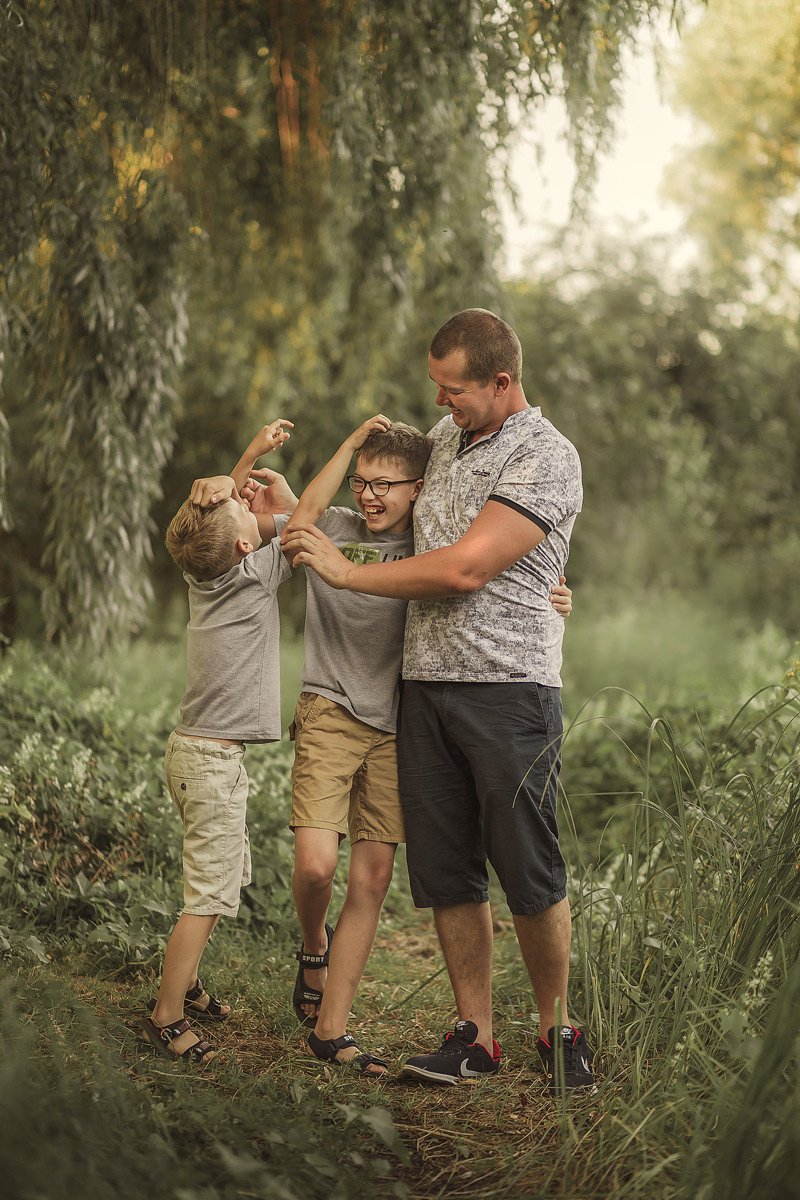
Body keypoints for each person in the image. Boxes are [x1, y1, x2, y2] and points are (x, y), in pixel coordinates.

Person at [282, 308, 594, 1094]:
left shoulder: (546, 455)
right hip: (421, 689)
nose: (440, 401)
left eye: (453, 389)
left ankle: (559, 1033)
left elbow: (464, 568)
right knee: (449, 871)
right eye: (435, 387)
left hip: (510, 689)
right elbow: (382, 502)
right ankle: (474, 1037)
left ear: (501, 381)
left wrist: (345, 572)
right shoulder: (444, 439)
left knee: (529, 867)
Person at [142, 418, 295, 1064]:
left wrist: (248, 457)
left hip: (191, 753)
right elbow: (304, 519)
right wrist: (291, 480)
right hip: (211, 762)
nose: (245, 502)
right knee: (205, 897)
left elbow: (215, 527)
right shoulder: (255, 574)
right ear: (245, 546)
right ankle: (166, 1014)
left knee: (215, 877)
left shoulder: (203, 573)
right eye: (243, 509)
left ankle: (189, 983)